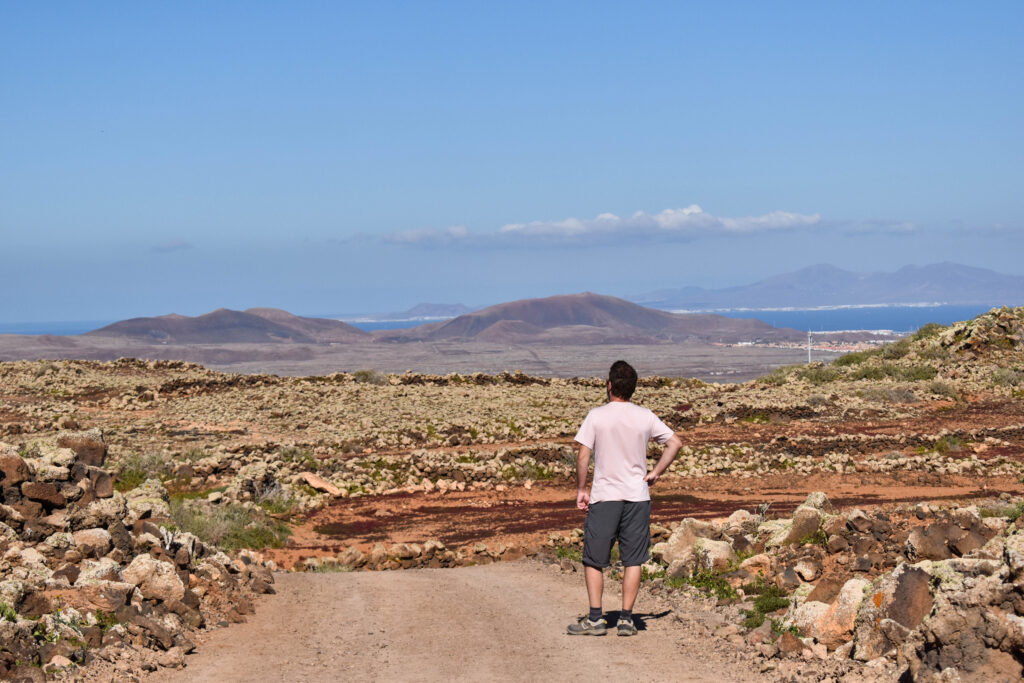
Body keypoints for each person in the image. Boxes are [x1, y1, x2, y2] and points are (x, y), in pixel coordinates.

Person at [566, 360, 682, 636]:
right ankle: (627, 619)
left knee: (594, 558)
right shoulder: (645, 416)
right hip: (637, 497)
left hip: (605, 496)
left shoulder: (596, 415)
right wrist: (655, 472)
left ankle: (595, 619)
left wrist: (582, 489)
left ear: (609, 386)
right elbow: (675, 442)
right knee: (633, 559)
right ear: (633, 388)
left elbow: (583, 455)